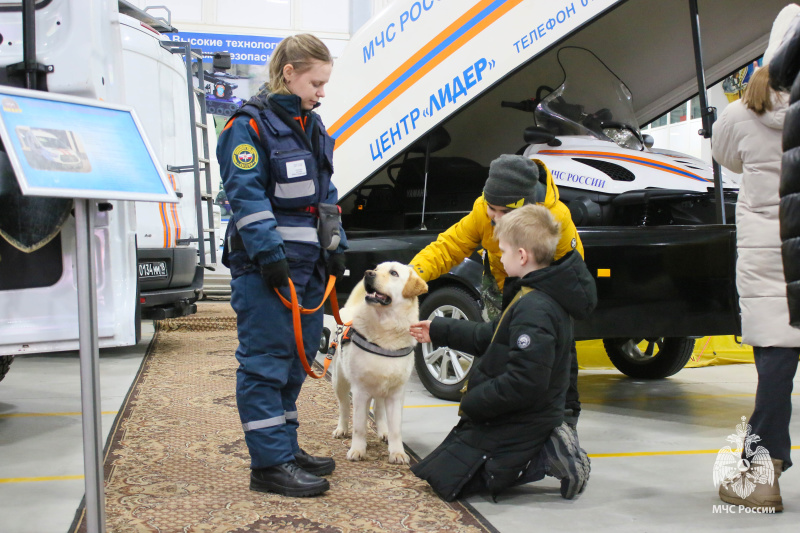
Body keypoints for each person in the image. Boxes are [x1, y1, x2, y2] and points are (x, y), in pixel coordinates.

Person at [217, 33, 347, 498]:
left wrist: (337, 243)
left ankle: (286, 448)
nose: (322, 92)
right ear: (288, 73)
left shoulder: (313, 125)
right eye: (316, 82)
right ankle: (269, 466)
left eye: (325, 84)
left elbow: (326, 195)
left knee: (295, 362)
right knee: (265, 364)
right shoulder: (246, 127)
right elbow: (246, 197)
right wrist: (269, 255)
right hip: (267, 270)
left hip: (310, 268)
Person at [408, 204, 597, 502]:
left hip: (526, 417)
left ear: (521, 256)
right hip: (522, 410)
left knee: (455, 480)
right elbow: (492, 336)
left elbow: (525, 383)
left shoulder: (536, 308)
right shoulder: (532, 293)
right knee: (440, 469)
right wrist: (440, 330)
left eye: (502, 251)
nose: (498, 257)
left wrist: (474, 400)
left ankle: (552, 452)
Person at [409, 154, 586, 431]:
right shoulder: (483, 210)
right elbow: (449, 246)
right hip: (502, 286)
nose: (495, 217)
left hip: (545, 293)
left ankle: (564, 420)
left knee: (554, 357)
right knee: (497, 349)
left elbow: (572, 274)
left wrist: (548, 309)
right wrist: (412, 275)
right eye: (492, 209)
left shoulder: (556, 218)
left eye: (504, 212)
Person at [712, 4, 800, 511]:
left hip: (770, 263)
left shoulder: (739, 115)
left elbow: (726, 158)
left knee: (775, 374)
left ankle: (763, 478)